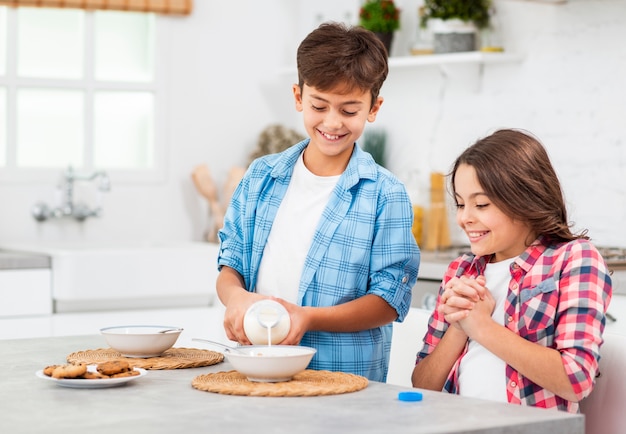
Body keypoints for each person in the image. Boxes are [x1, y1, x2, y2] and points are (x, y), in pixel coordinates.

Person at [215, 22, 420, 382]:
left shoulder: (385, 194)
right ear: (298, 97)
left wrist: (308, 317)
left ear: (374, 107)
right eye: (319, 105)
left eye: (349, 110)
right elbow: (230, 263)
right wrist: (235, 297)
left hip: (344, 381)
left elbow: (389, 301)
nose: (332, 122)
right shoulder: (261, 176)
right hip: (258, 370)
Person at [411, 129, 612, 412]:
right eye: (460, 203)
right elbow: (422, 385)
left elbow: (575, 379)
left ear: (524, 199)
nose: (464, 218)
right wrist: (459, 325)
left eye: (481, 204)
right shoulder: (461, 270)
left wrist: (480, 326)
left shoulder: (573, 259)